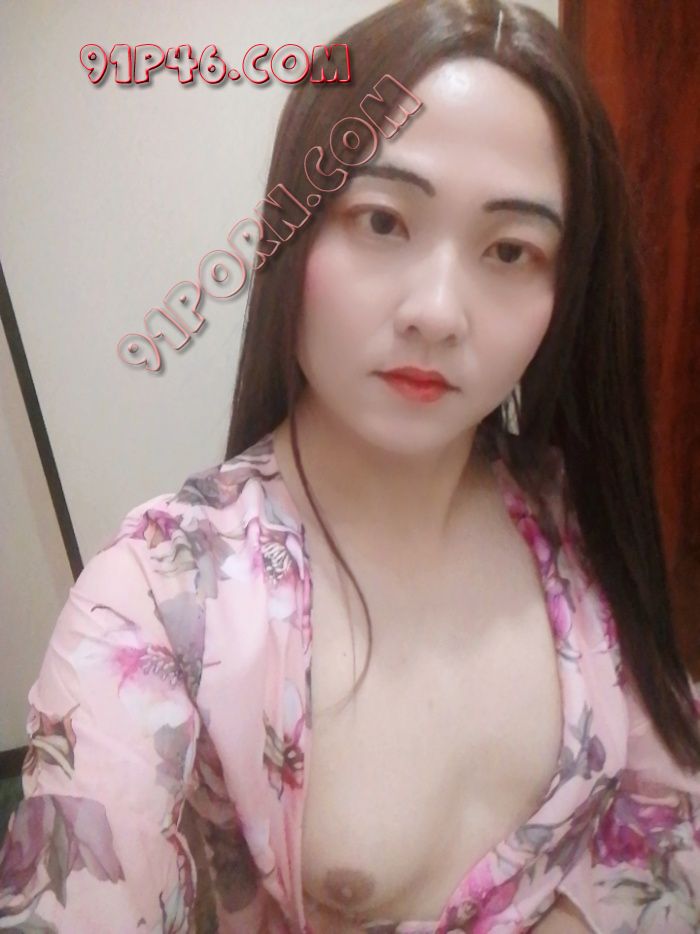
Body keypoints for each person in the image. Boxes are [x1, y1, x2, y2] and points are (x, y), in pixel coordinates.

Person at [2, 0, 700, 931]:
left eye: (509, 249)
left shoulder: (572, 511)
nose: (438, 312)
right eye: (381, 220)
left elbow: (667, 799)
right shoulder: (157, 609)